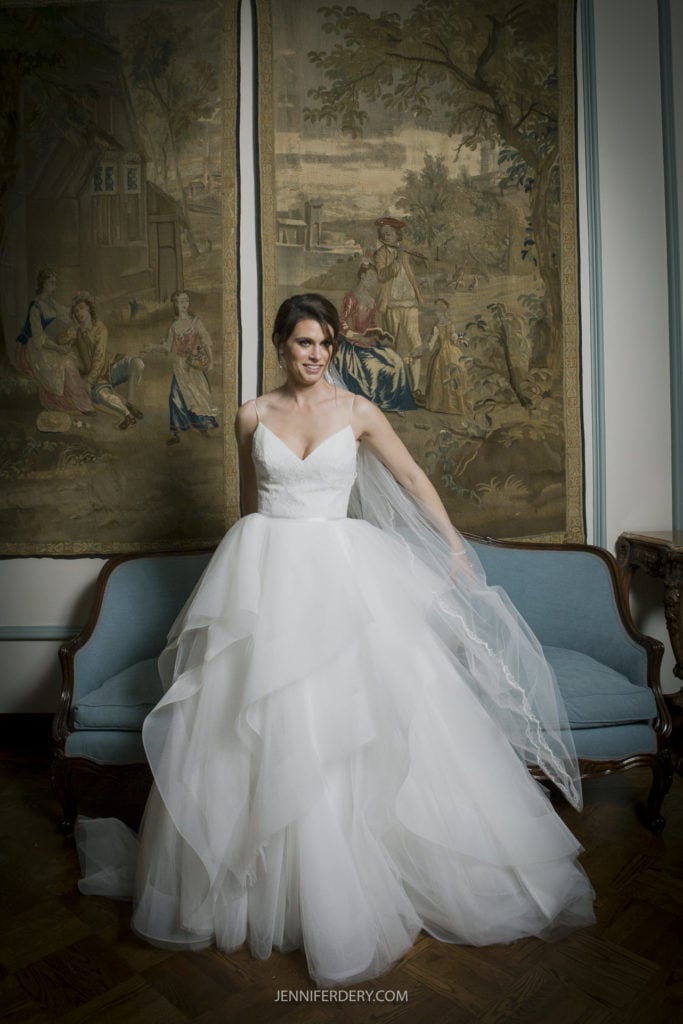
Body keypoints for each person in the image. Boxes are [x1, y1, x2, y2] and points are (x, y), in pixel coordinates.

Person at [76, 293, 594, 989]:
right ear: (280, 346)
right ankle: (261, 887)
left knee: (346, 725)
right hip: (264, 574)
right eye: (301, 344)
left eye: (324, 345)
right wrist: (248, 568)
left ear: (334, 348)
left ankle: (354, 883)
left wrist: (451, 544)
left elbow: (410, 477)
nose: (314, 356)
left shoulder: (358, 413)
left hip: (341, 575)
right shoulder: (251, 414)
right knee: (253, 723)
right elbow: (247, 504)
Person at [335, 261, 415, 412]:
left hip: (370, 344)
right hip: (354, 347)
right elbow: (342, 323)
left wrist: (380, 334)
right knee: (377, 367)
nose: (373, 282)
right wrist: (358, 337)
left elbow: (372, 323)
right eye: (371, 277)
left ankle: (395, 402)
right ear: (363, 276)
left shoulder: (371, 300)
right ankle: (376, 405)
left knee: (397, 361)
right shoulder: (350, 297)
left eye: (375, 278)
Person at [15, 268, 94, 413]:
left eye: (55, 284)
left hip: (44, 345)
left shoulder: (50, 302)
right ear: (43, 284)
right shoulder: (35, 307)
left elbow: (65, 313)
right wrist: (59, 348)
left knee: (70, 359)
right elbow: (39, 339)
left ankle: (83, 403)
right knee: (65, 364)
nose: (55, 287)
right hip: (31, 349)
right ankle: (80, 404)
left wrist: (79, 312)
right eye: (52, 283)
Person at [62, 292, 145, 429]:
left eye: (82, 308)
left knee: (137, 363)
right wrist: (73, 332)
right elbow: (59, 339)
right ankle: (127, 414)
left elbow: (99, 357)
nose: (79, 313)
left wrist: (89, 381)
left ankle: (130, 402)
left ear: (89, 308)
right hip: (93, 374)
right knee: (103, 395)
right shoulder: (76, 331)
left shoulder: (100, 328)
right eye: (76, 311)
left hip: (108, 366)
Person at [149, 290, 219, 445]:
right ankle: (175, 432)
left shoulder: (196, 322)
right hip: (180, 366)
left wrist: (211, 361)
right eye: (180, 302)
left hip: (193, 366)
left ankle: (204, 426)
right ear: (174, 304)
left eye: (186, 301)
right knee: (175, 397)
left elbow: (206, 341)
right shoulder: (173, 326)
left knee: (198, 395)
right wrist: (153, 347)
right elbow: (168, 347)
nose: (183, 305)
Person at [373, 217, 425, 393]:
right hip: (391, 305)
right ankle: (394, 388)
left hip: (410, 303)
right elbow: (382, 276)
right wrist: (397, 259)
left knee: (415, 344)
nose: (386, 236)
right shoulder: (380, 254)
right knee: (391, 345)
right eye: (383, 234)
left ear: (397, 235)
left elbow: (419, 265)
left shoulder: (405, 251)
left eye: (390, 233)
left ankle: (416, 388)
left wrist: (409, 254)